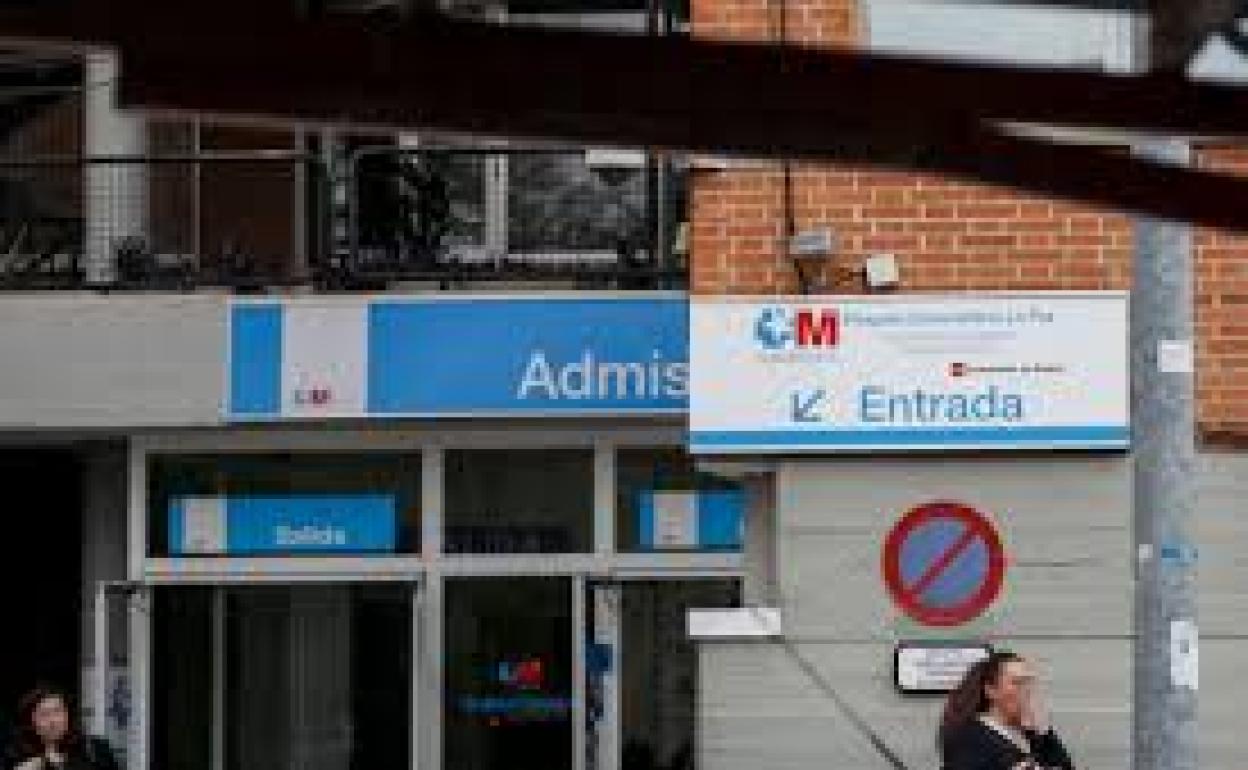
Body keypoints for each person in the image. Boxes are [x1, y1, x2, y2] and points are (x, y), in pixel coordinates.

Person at [938, 651, 1075, 770]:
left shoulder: (1030, 734)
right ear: (991, 691)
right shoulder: (969, 737)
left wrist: (1043, 731)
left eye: (1029, 682)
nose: (1027, 690)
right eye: (1017, 683)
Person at [4, 686, 119, 770]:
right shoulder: (15, 755)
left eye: (57, 712)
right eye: (44, 714)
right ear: (31, 720)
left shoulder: (94, 750)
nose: (52, 721)